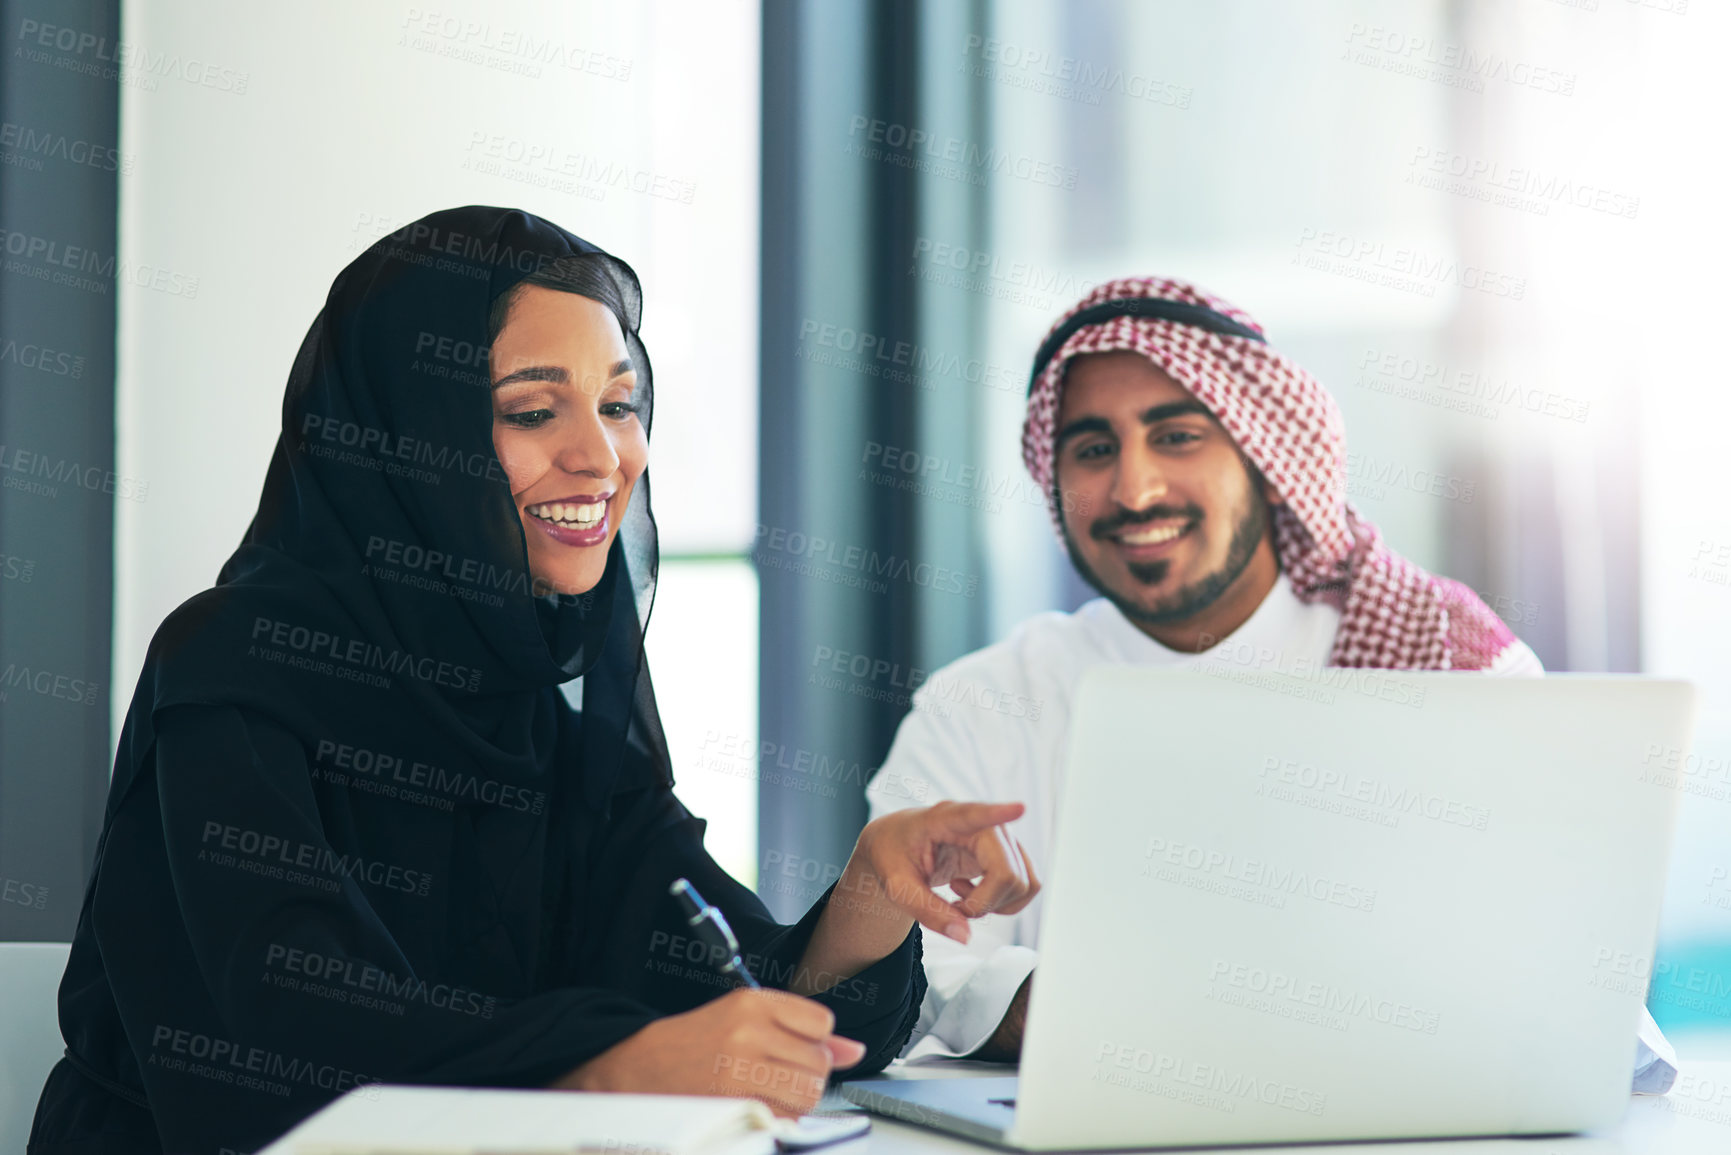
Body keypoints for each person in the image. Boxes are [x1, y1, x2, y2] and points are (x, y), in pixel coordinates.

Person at [29, 207, 1037, 1155]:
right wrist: (602, 1065)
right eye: (531, 410)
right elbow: (289, 1038)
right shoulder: (230, 665)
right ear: (404, 439)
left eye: (618, 404)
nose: (601, 457)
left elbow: (715, 985)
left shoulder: (536, 698)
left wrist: (872, 888)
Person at [865, 275, 1549, 1062]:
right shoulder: (981, 703)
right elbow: (913, 975)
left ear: (1264, 454)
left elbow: (1527, 966)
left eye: (1177, 436)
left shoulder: (1441, 662)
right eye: (1092, 450)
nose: (1135, 488)